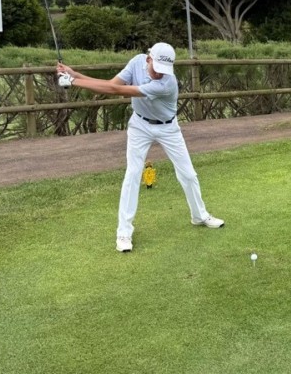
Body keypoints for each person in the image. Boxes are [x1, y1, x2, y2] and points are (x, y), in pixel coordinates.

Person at [57, 42, 224, 253]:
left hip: (168, 128)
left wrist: (72, 81)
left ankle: (199, 216)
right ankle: (124, 233)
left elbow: (115, 90)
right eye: (156, 68)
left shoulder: (167, 84)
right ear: (148, 59)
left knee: (188, 174)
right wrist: (75, 74)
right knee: (133, 174)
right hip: (140, 126)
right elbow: (111, 84)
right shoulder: (136, 62)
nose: (159, 73)